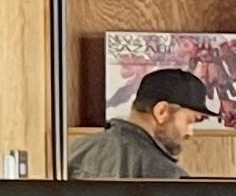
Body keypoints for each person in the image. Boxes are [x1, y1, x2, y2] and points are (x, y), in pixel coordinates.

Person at [67, 66, 212, 180]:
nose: (190, 133)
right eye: (190, 121)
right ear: (161, 111)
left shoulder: (74, 151)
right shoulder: (166, 176)